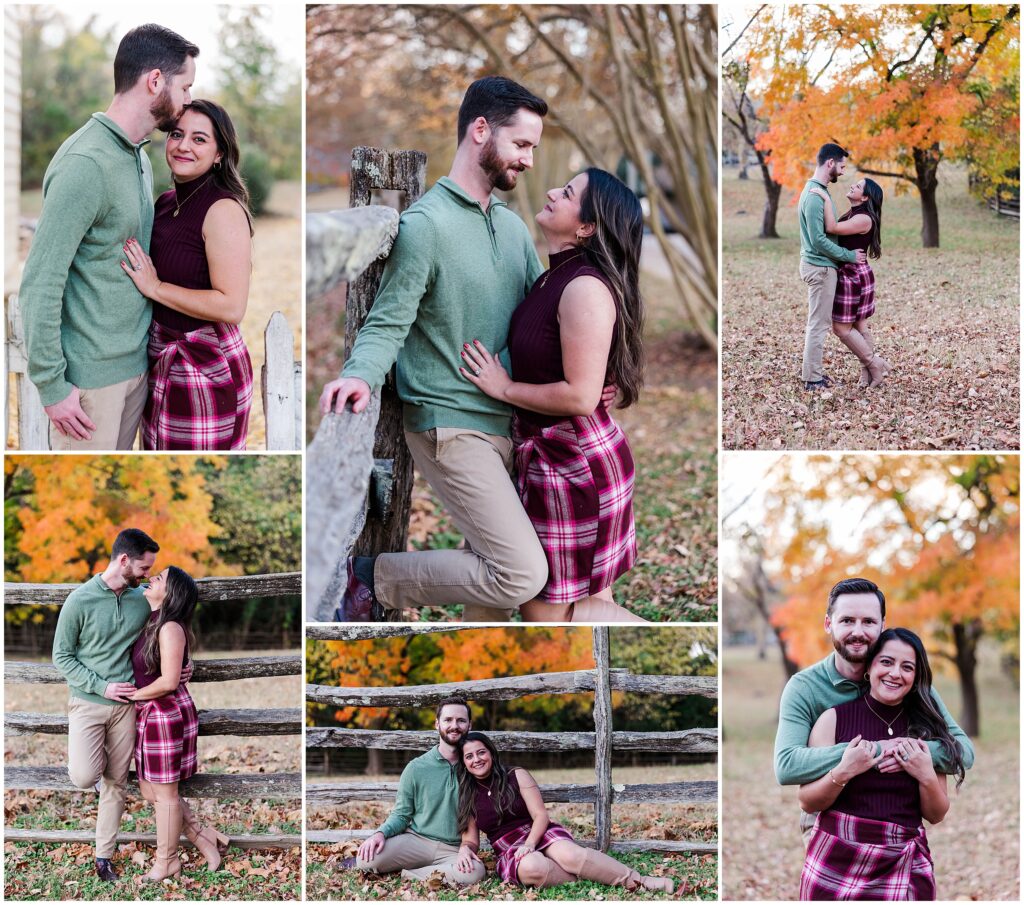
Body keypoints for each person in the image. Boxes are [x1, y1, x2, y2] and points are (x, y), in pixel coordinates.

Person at [319, 76, 550, 623]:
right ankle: (373, 578)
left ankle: (475, 680)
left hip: (509, 426)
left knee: (494, 589)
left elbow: (544, 320)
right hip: (449, 427)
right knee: (520, 573)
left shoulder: (514, 229)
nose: (529, 161)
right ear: (480, 131)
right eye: (521, 144)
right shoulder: (425, 227)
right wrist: (359, 374)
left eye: (533, 148)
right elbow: (388, 320)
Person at [459, 169, 647, 622]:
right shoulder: (555, 277)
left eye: (566, 193)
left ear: (586, 227)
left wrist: (504, 388)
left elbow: (581, 397)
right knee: (582, 607)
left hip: (573, 464)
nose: (549, 191)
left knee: (547, 617)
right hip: (556, 457)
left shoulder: (583, 287)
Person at [20, 24, 199, 450]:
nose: (189, 99)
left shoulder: (136, 153)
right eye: (186, 86)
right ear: (155, 80)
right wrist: (51, 386)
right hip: (89, 387)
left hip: (135, 371)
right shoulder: (86, 162)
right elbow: (41, 280)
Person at [774, 578, 974, 848]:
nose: (858, 631)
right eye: (847, 621)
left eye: (868, 622)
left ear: (882, 625)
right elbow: (786, 766)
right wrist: (874, 750)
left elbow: (964, 752)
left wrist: (907, 751)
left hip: (896, 820)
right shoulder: (804, 688)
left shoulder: (902, 680)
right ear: (828, 624)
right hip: (829, 818)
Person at [120, 99, 255, 450]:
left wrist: (156, 287)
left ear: (219, 154)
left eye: (199, 139)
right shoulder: (164, 204)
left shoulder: (223, 210)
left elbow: (231, 307)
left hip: (206, 364)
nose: (183, 146)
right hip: (160, 356)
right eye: (177, 134)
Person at [797, 628, 963, 900]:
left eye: (907, 667)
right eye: (886, 662)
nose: (895, 673)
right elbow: (807, 802)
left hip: (904, 863)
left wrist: (925, 775)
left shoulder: (925, 728)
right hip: (835, 863)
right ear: (870, 666)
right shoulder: (833, 719)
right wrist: (844, 770)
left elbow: (936, 814)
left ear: (916, 677)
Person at [51, 529, 159, 882]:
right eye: (144, 568)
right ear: (123, 560)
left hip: (127, 705)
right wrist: (101, 686)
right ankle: (88, 772)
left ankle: (103, 857)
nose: (146, 575)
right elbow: (61, 656)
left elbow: (168, 624)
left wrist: (180, 662)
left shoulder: (140, 599)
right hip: (88, 702)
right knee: (85, 776)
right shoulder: (79, 600)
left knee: (116, 782)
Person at [456, 732, 673, 892]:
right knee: (533, 867)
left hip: (536, 831)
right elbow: (471, 839)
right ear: (464, 763)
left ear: (491, 753)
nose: (477, 760)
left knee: (570, 854)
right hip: (506, 847)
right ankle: (595, 877)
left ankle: (639, 881)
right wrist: (465, 849)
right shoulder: (466, 795)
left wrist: (530, 843)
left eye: (481, 752)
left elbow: (541, 816)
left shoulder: (516, 775)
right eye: (469, 756)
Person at [128, 565, 230, 881]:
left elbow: (169, 681)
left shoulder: (170, 627)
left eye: (159, 578)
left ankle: (167, 861)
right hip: (152, 710)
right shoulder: (153, 621)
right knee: (150, 791)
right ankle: (202, 834)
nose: (151, 578)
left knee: (166, 794)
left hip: (162, 711)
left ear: (171, 593)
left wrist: (133, 696)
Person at [355, 697, 486, 886]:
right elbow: (401, 813)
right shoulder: (416, 768)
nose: (454, 726)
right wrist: (380, 833)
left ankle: (410, 874)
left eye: (461, 720)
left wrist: (467, 848)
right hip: (416, 841)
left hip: (453, 849)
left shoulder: (475, 767)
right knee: (366, 859)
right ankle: (432, 872)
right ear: (437, 724)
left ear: (469, 725)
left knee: (474, 873)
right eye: (448, 720)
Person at [798, 143, 868, 391]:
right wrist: (848, 255)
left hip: (820, 266)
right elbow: (819, 240)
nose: (842, 170)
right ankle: (812, 379)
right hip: (820, 268)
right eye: (841, 166)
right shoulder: (816, 196)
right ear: (830, 163)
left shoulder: (816, 191)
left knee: (818, 323)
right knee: (818, 324)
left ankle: (813, 374)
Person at [809, 177, 889, 388]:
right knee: (860, 326)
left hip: (853, 276)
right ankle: (870, 375)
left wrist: (824, 198)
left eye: (858, 186)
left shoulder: (864, 218)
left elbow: (832, 227)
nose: (853, 185)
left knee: (842, 329)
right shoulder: (855, 213)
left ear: (864, 197)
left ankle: (874, 363)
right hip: (854, 272)